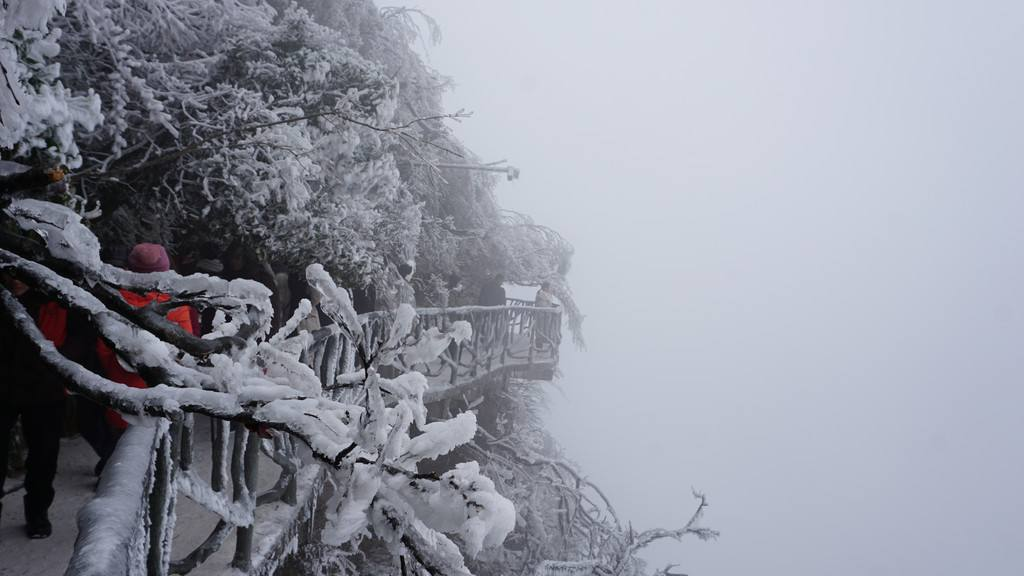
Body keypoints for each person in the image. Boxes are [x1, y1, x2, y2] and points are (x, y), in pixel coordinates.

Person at [0, 277, 91, 538]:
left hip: (45, 391)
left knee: (44, 456)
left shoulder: (56, 298)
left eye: (20, 275)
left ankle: (38, 513)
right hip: (3, 388)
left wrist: (58, 366)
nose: (14, 281)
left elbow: (80, 336)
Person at [96, 244, 196, 433]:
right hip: (167, 396)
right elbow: (187, 349)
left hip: (124, 395)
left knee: (122, 454)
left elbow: (103, 350)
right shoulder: (176, 305)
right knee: (163, 451)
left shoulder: (113, 302)